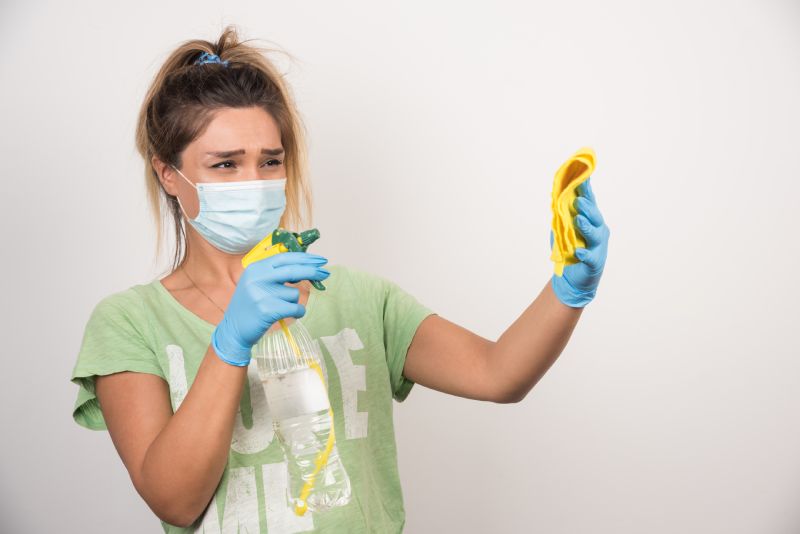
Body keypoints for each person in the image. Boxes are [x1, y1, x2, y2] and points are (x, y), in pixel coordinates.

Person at [70, 25, 610, 534]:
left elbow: (498, 375)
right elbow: (174, 500)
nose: (254, 181)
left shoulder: (357, 297)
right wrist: (230, 341)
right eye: (225, 164)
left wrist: (568, 288)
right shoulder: (129, 322)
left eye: (270, 160)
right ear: (169, 173)